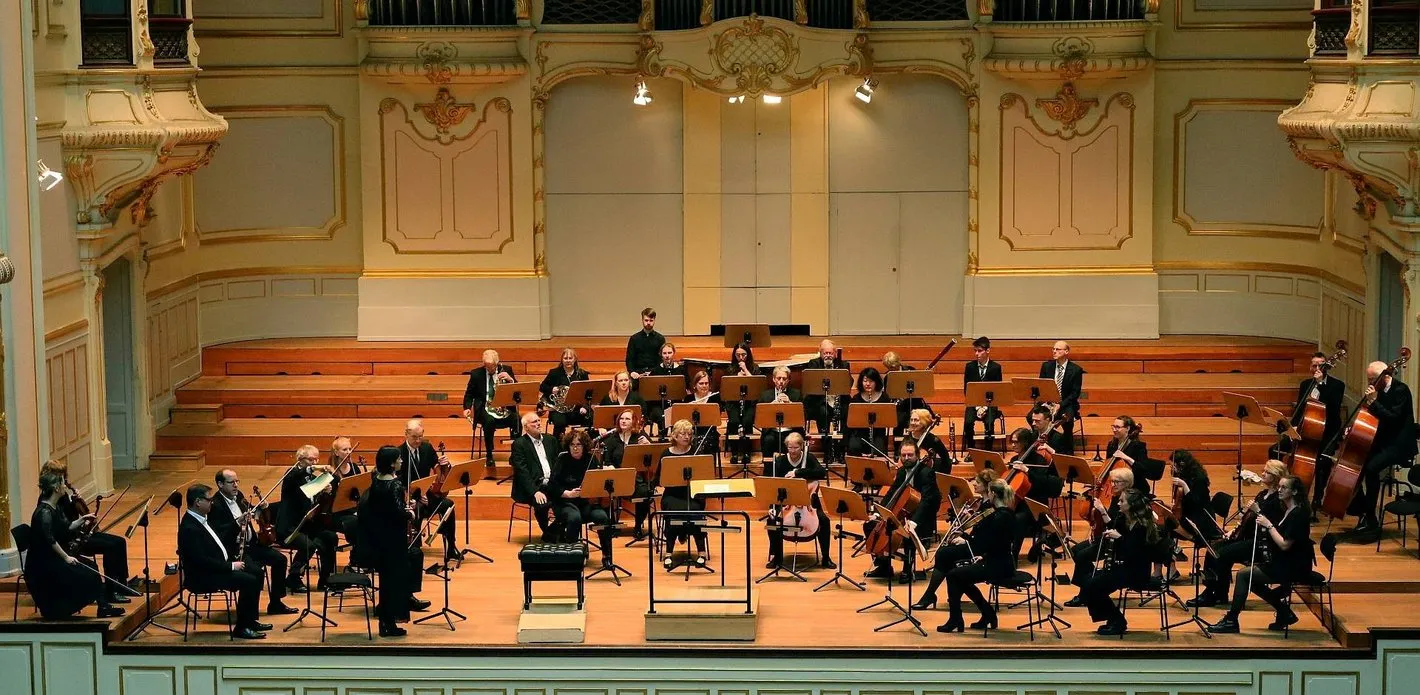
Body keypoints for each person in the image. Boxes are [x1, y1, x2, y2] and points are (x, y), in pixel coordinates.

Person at [1207, 475, 1315, 634]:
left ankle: (1232, 620)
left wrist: (1268, 525)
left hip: (1294, 565)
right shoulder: (1287, 509)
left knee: (1244, 575)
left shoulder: (1298, 515)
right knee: (1250, 579)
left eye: (1284, 487)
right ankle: (1284, 612)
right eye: (1279, 486)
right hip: (1282, 561)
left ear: (1294, 491)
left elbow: (1285, 545)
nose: (1279, 490)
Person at [353, 445, 430, 637]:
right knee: (395, 581)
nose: (401, 461)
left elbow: (381, 509)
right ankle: (390, 624)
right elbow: (397, 513)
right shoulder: (394, 484)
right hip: (393, 541)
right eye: (398, 459)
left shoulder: (376, 481)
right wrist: (410, 512)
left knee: (386, 581)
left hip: (379, 539)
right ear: (391, 463)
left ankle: (385, 623)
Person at [1188, 459, 1288, 608]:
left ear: (1275, 476)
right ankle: (1213, 591)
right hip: (1246, 536)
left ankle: (1216, 594)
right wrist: (1234, 531)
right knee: (1212, 549)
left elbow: (1271, 523)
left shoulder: (1278, 500)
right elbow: (1247, 519)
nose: (1262, 474)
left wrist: (1257, 510)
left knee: (1222, 554)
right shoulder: (1262, 494)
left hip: (1260, 543)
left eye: (1267, 472)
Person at [24, 472, 123, 620]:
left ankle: (103, 606)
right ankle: (62, 607)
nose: (65, 486)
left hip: (53, 557)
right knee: (86, 573)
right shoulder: (44, 512)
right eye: (62, 483)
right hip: (44, 564)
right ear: (56, 488)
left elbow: (66, 527)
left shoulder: (54, 507)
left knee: (91, 566)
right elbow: (50, 540)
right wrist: (66, 558)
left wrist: (82, 519)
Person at [178, 484, 267, 639]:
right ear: (198, 502)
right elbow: (201, 561)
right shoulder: (189, 528)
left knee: (257, 573)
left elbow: (219, 538)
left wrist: (237, 524)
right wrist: (231, 566)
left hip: (216, 567)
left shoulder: (201, 519)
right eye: (209, 499)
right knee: (249, 581)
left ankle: (249, 620)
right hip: (202, 576)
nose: (212, 502)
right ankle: (242, 628)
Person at [38, 459, 131, 607]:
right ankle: (110, 591)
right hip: (72, 541)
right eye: (62, 477)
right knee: (111, 547)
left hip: (77, 533)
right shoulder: (49, 503)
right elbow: (59, 529)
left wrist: (80, 511)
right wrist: (75, 506)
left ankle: (121, 584)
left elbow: (68, 522)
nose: (65, 481)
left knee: (119, 542)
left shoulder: (62, 496)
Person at [932, 479, 1019, 633]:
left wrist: (965, 537)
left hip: (998, 566)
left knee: (953, 576)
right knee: (958, 577)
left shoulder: (999, 517)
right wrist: (982, 554)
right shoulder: (1007, 514)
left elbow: (982, 544)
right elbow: (994, 543)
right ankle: (986, 613)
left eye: (989, 492)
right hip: (999, 561)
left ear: (993, 494)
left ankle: (957, 619)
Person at [1078, 488, 1168, 636]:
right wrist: (1104, 514)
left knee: (1093, 586)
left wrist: (1119, 538)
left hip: (1137, 573)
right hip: (1124, 568)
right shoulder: (1126, 520)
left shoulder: (1141, 527)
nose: (1118, 503)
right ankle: (1113, 619)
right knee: (1088, 583)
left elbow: (1134, 553)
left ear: (1131, 505)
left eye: (1122, 501)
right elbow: (1114, 527)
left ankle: (1117, 621)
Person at [207, 469, 297, 616]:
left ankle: (275, 603)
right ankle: (250, 615)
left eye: (237, 481)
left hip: (252, 544)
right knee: (256, 572)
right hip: (236, 549)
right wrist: (237, 523)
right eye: (231, 482)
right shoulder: (215, 505)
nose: (235, 485)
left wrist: (261, 509)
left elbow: (252, 513)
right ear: (220, 484)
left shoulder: (239, 496)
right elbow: (220, 535)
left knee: (280, 559)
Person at [1347, 360, 1416, 534]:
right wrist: (1353, 428)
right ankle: (1360, 509)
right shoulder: (1377, 391)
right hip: (1383, 441)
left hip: (1399, 444)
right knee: (1355, 463)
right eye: (1369, 379)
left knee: (1371, 469)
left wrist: (1373, 402)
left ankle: (1371, 517)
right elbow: (1369, 417)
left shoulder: (1401, 390)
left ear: (1385, 376)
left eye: (1372, 379)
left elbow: (1393, 419)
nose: (1370, 383)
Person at [863, 439, 941, 581]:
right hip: (903, 512)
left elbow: (927, 501)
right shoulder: (901, 472)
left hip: (921, 517)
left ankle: (907, 569)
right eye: (903, 455)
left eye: (910, 455)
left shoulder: (926, 473)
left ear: (917, 456)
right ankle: (884, 566)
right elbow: (892, 493)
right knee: (870, 526)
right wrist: (878, 513)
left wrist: (913, 522)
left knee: (907, 533)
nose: (906, 458)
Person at [1064, 466, 1134, 605]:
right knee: (1075, 550)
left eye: (1117, 482)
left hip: (1117, 542)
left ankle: (1084, 594)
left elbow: (1117, 526)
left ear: (1127, 483)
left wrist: (1102, 510)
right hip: (1106, 536)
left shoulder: (1128, 501)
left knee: (1082, 556)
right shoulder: (1115, 497)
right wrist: (1095, 532)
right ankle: (1092, 582)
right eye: (1112, 481)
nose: (1113, 485)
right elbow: (1106, 523)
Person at [549, 429, 618, 570]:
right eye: (572, 445)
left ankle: (607, 556)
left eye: (578, 445)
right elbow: (552, 486)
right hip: (565, 503)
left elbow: (598, 484)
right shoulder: (562, 459)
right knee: (574, 518)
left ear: (584, 446)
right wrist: (568, 493)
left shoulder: (591, 459)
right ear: (568, 446)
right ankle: (572, 557)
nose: (575, 448)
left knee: (603, 518)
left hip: (586, 503)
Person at [764, 432, 835, 569]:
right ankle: (777, 557)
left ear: (801, 446)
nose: (792, 451)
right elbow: (773, 485)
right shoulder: (781, 461)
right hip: (785, 502)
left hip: (809, 503)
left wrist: (798, 472)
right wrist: (771, 506)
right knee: (772, 520)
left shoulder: (809, 458)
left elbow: (821, 473)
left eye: (796, 448)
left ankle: (826, 558)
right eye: (790, 448)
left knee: (824, 521)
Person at [275, 445, 337, 592]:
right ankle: (293, 577)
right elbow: (295, 476)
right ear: (300, 459)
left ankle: (325, 580)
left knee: (330, 538)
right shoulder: (291, 475)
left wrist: (325, 493)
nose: (314, 463)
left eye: (316, 459)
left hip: (307, 525)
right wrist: (313, 468)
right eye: (310, 459)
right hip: (290, 527)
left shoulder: (314, 479)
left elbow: (315, 503)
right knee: (308, 545)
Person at [1288, 352, 1346, 508]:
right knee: (1276, 449)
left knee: (1323, 463)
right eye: (1314, 365)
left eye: (1321, 365)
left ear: (1327, 366)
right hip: (1306, 430)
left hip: (1328, 432)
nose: (1317, 368)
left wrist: (1320, 384)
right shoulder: (1305, 384)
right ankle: (1289, 493)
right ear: (1310, 367)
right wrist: (1293, 426)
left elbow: (1332, 409)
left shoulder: (1337, 385)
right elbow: (1300, 408)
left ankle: (1317, 499)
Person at [1004, 427, 1063, 559]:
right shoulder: (1014, 459)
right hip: (1016, 503)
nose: (1013, 445)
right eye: (1012, 442)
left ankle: (1013, 556)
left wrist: (1027, 471)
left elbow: (1042, 484)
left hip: (1033, 505)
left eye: (1016, 442)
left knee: (1019, 519)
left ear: (1025, 442)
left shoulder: (1038, 460)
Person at [661, 419, 710, 569]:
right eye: (682, 433)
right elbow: (659, 479)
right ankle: (668, 553)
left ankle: (701, 553)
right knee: (673, 511)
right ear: (674, 436)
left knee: (694, 511)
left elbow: (705, 475)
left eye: (689, 434)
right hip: (672, 494)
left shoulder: (697, 452)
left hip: (692, 493)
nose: (686, 437)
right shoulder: (666, 454)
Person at [602, 408, 655, 541]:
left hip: (635, 479)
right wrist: (611, 468)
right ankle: (612, 524)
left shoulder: (640, 436)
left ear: (634, 422)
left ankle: (638, 526)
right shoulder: (611, 439)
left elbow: (652, 458)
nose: (623, 421)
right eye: (621, 418)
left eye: (627, 419)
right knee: (605, 490)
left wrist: (648, 446)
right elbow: (606, 460)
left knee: (646, 492)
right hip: (616, 478)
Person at [510, 411, 561, 540]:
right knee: (542, 505)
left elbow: (558, 463)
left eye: (538, 420)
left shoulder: (551, 440)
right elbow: (522, 472)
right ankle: (549, 533)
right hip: (532, 487)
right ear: (526, 427)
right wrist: (535, 491)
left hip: (551, 484)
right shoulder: (519, 444)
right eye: (534, 422)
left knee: (569, 502)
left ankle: (551, 532)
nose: (538, 423)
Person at [462, 349, 518, 466]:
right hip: (485, 408)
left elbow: (517, 391)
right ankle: (489, 455)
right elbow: (469, 394)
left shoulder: (506, 370)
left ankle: (515, 454)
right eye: (486, 366)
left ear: (497, 363)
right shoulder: (476, 374)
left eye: (492, 366)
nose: (489, 369)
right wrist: (467, 407)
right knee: (489, 421)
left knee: (517, 420)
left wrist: (511, 380)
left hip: (503, 407)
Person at [803, 340, 850, 463]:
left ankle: (841, 450)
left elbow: (849, 383)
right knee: (823, 412)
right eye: (825, 353)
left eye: (830, 353)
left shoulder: (843, 364)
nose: (828, 355)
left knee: (847, 411)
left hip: (838, 399)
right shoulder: (813, 364)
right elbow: (811, 384)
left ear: (835, 354)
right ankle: (827, 451)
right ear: (820, 353)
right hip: (820, 401)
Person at [1037, 341, 1083, 453]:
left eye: (1058, 349)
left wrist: (1060, 405)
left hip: (1066, 404)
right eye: (1053, 349)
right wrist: (1046, 402)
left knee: (1068, 422)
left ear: (1066, 351)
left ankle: (1067, 453)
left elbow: (1075, 393)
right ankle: (1046, 444)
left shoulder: (1076, 370)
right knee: (1031, 417)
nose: (1054, 351)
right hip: (1048, 403)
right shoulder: (1046, 366)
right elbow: (1041, 386)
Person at [1169, 450, 1222, 542]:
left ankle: (1193, 538)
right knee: (1167, 518)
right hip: (1191, 512)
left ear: (1182, 465)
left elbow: (1195, 503)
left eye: (1173, 466)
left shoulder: (1199, 479)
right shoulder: (1183, 475)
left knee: (1169, 524)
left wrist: (1184, 485)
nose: (1172, 468)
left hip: (1200, 518)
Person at [539, 347, 592, 438]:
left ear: (575, 359)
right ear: (562, 360)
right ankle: (558, 443)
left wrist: (585, 407)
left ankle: (585, 441)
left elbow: (588, 393)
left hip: (577, 409)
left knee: (590, 417)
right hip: (559, 410)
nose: (568, 361)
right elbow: (542, 387)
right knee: (560, 422)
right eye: (565, 358)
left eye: (570, 358)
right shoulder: (554, 373)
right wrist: (551, 389)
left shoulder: (582, 374)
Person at [723, 342, 760, 469]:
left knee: (747, 421)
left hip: (749, 403)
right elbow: (727, 388)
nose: (741, 358)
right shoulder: (730, 369)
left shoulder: (754, 368)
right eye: (738, 355)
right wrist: (736, 378)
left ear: (748, 354)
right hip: (733, 403)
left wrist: (746, 370)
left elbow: (756, 385)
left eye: (743, 355)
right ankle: (734, 453)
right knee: (734, 421)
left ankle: (746, 452)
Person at [963, 337, 1003, 450]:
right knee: (968, 423)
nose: (976, 354)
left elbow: (997, 390)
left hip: (990, 404)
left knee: (989, 423)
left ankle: (988, 452)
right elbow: (967, 390)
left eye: (979, 351)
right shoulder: (969, 367)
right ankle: (972, 449)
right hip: (973, 403)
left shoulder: (996, 367)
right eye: (975, 351)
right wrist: (977, 407)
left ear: (988, 350)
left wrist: (985, 407)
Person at [757, 366, 804, 460]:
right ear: (774, 379)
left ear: (788, 380)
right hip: (772, 431)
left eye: (784, 378)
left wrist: (790, 403)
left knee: (793, 440)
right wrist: (771, 406)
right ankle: (768, 467)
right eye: (778, 378)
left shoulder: (796, 394)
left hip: (791, 431)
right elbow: (759, 417)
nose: (781, 381)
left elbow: (802, 416)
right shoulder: (765, 395)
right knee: (768, 440)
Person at [1106, 416, 1160, 494]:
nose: (1114, 429)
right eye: (1113, 426)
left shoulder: (1138, 446)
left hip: (1134, 486)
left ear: (1127, 428)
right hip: (1116, 486)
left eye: (1118, 427)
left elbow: (1142, 469)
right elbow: (1108, 466)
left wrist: (1126, 457)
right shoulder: (1111, 445)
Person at [845, 367, 891, 457]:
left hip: (878, 433)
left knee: (879, 451)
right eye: (865, 381)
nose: (868, 384)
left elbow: (888, 418)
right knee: (854, 447)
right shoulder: (856, 398)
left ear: (876, 382)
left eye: (871, 381)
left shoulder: (884, 398)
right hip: (859, 433)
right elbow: (852, 420)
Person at [645, 342, 687, 438]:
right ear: (661, 354)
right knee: (660, 416)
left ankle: (676, 437)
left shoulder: (681, 370)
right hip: (659, 404)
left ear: (673, 353)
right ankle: (662, 436)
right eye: (664, 353)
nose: (667, 356)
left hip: (676, 403)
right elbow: (650, 391)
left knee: (677, 414)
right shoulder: (656, 371)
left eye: (669, 353)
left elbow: (686, 387)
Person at [678, 370, 721, 457]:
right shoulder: (688, 398)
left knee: (707, 442)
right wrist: (688, 407)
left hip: (709, 432)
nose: (704, 386)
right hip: (691, 431)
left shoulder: (715, 398)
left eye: (706, 383)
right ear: (695, 385)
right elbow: (684, 419)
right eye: (701, 383)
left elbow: (716, 417)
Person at [904, 408, 952, 473]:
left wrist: (936, 475)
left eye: (916, 420)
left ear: (924, 422)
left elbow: (946, 460)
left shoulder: (933, 440)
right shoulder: (907, 438)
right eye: (911, 420)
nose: (912, 423)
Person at [626, 307, 666, 379]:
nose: (648, 323)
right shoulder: (634, 338)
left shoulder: (660, 339)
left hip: (655, 374)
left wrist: (655, 371)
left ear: (654, 320)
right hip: (637, 374)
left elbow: (662, 359)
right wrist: (632, 372)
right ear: (642, 320)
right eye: (646, 320)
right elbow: (629, 359)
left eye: (651, 320)